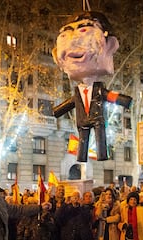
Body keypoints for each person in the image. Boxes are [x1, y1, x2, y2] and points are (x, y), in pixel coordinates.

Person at [52, 11, 132, 162]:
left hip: (97, 119)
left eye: (83, 30)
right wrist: (57, 111)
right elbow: (70, 103)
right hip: (83, 120)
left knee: (99, 134)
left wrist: (124, 100)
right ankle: (82, 156)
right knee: (83, 137)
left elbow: (110, 96)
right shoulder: (78, 92)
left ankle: (102, 153)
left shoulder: (98, 90)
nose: (74, 40)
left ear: (110, 45)